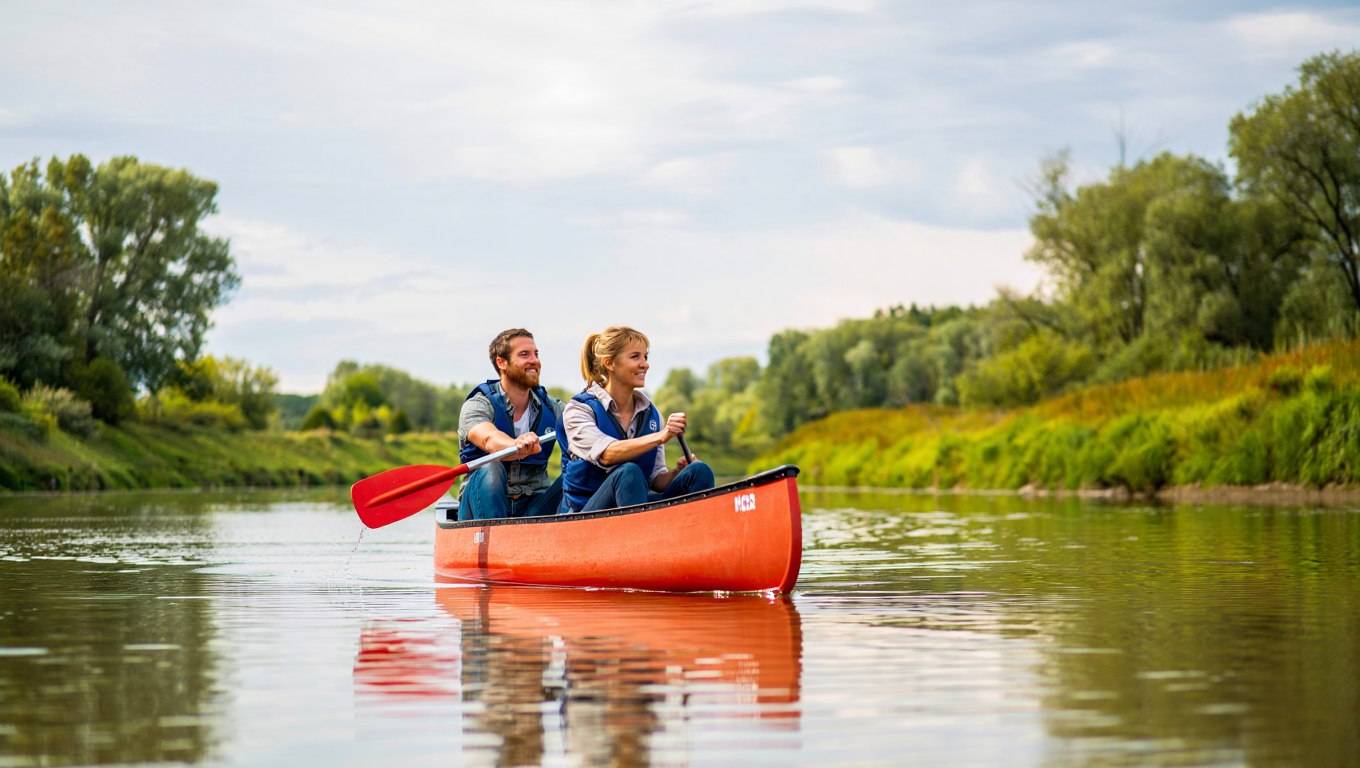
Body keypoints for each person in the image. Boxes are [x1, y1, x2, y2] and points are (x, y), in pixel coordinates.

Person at [559, 326, 715, 514]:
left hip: (633, 507)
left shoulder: (652, 414)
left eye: (645, 357)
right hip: (586, 516)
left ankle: (694, 532)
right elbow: (607, 454)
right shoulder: (579, 410)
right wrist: (661, 436)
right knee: (629, 472)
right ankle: (643, 539)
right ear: (610, 363)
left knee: (699, 470)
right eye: (635, 357)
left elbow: (656, 480)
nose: (645, 364)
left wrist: (676, 473)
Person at [456, 328, 564, 520]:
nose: (534, 361)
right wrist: (515, 445)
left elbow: (583, 423)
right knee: (491, 467)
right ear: (501, 362)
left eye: (536, 354)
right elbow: (489, 438)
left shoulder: (552, 407)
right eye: (524, 354)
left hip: (534, 505)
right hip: (483, 502)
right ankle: (495, 539)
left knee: (579, 473)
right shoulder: (478, 404)